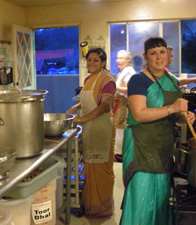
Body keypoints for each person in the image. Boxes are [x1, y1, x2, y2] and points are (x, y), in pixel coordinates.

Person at [120, 37, 195, 225]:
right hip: (141, 146)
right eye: (153, 53)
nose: (159, 57)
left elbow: (174, 117)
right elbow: (139, 114)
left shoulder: (171, 80)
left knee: (161, 197)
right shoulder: (138, 80)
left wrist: (184, 116)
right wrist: (172, 108)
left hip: (163, 147)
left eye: (162, 52)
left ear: (168, 54)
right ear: (146, 56)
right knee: (141, 196)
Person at [66, 48, 116, 218]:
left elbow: (105, 106)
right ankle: (90, 205)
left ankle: (101, 209)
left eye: (96, 60)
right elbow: (86, 101)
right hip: (90, 127)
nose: (91, 63)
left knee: (100, 168)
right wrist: (75, 108)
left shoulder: (107, 79)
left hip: (101, 127)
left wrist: (82, 119)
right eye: (89, 60)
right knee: (90, 167)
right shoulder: (89, 79)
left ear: (103, 63)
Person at [113, 50, 136, 162]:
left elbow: (130, 90)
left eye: (122, 58)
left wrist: (115, 87)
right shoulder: (122, 71)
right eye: (118, 58)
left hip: (124, 106)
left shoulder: (128, 71)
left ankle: (120, 157)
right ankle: (119, 155)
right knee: (118, 131)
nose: (118, 60)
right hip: (119, 106)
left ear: (128, 60)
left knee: (121, 132)